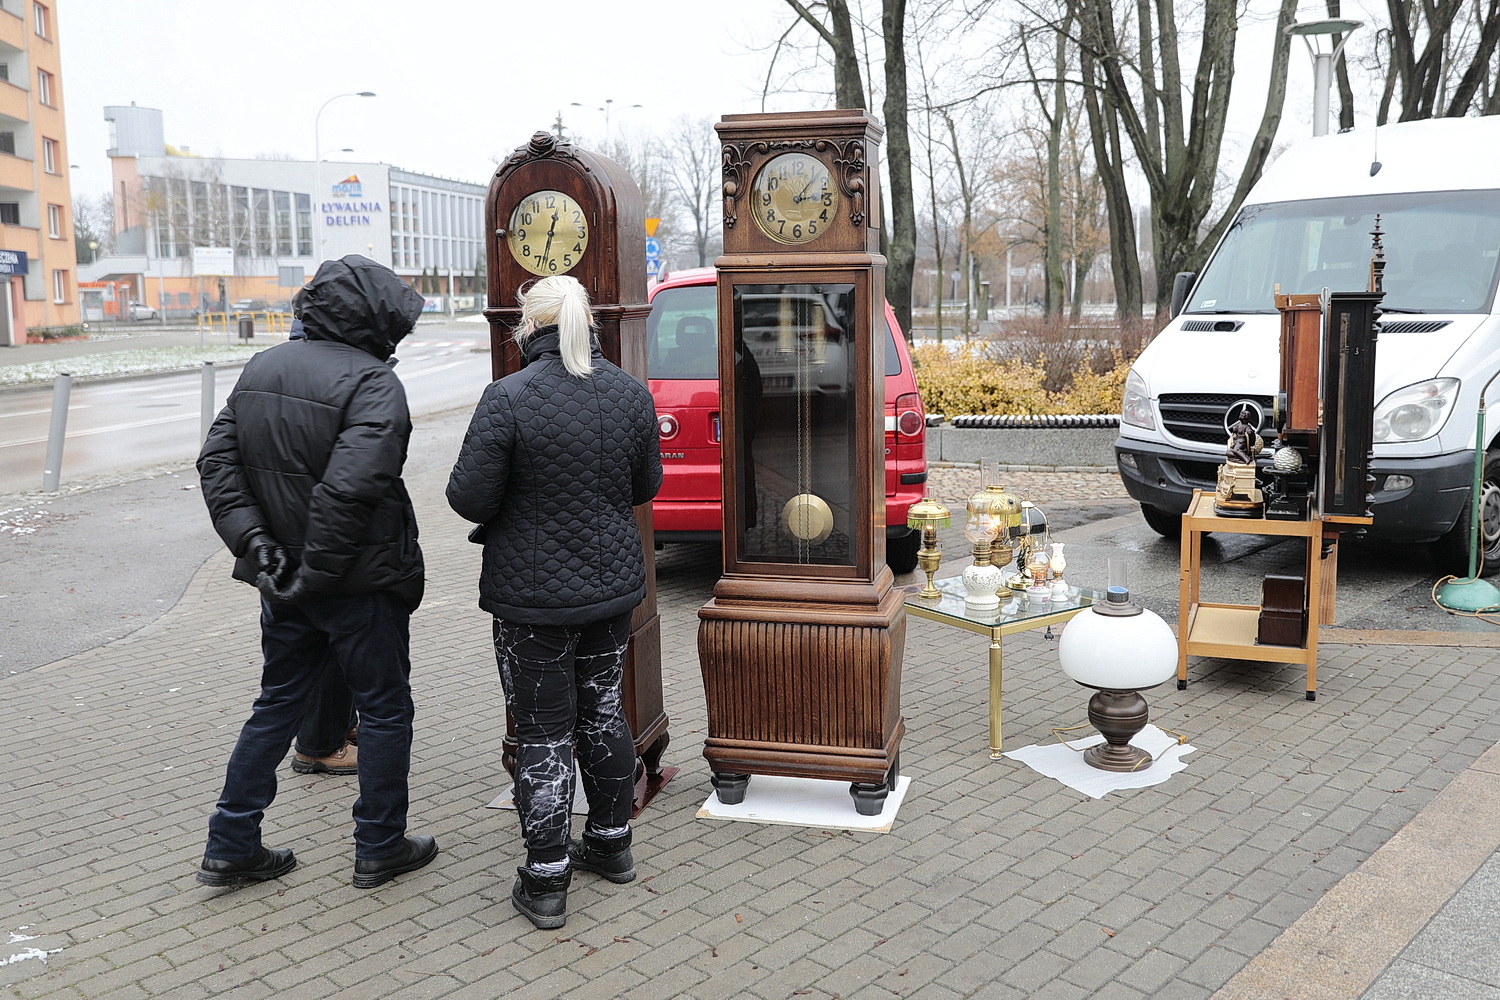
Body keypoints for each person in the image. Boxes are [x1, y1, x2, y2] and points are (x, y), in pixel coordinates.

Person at [195, 254, 437, 889]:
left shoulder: (263, 366)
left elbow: (218, 465)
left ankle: (231, 841)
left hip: (286, 581)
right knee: (384, 710)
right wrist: (313, 571)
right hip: (356, 583)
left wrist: (258, 543)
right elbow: (348, 492)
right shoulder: (375, 384)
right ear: (374, 320)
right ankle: (380, 844)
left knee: (276, 702)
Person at [447, 275, 663, 930]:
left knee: (542, 730)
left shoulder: (506, 398)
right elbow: (645, 484)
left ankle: (545, 879)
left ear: (528, 327)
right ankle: (611, 844)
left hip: (531, 599)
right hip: (609, 590)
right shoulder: (629, 394)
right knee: (601, 712)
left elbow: (468, 498)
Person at [284, 288, 359, 777]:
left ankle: (332, 729)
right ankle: (319, 745)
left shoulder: (277, 365)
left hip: (284, 535)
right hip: (322, 535)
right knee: (331, 647)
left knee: (311, 646)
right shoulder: (330, 373)